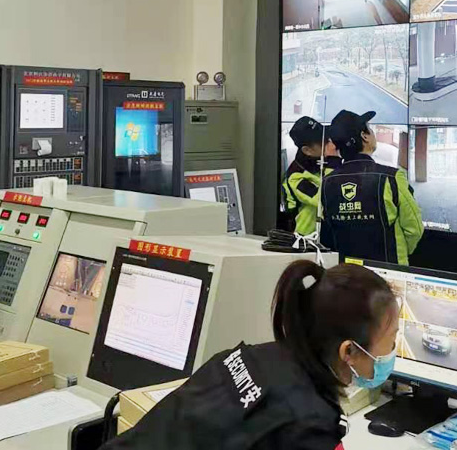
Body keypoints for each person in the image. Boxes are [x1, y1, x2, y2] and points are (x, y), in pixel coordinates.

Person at [102, 260, 399, 450]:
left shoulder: (253, 357)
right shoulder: (307, 423)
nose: (393, 350)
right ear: (349, 351)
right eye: (392, 338)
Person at [321, 110, 423, 265]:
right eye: (369, 128)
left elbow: (328, 231)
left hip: (346, 272)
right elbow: (414, 228)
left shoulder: (327, 182)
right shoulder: (391, 177)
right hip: (388, 271)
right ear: (365, 136)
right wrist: (399, 252)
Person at [281, 117, 342, 236]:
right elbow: (325, 199)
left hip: (326, 234)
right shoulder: (296, 177)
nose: (330, 144)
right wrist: (333, 161)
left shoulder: (320, 162)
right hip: (306, 239)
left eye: (327, 138)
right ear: (307, 150)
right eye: (323, 142)